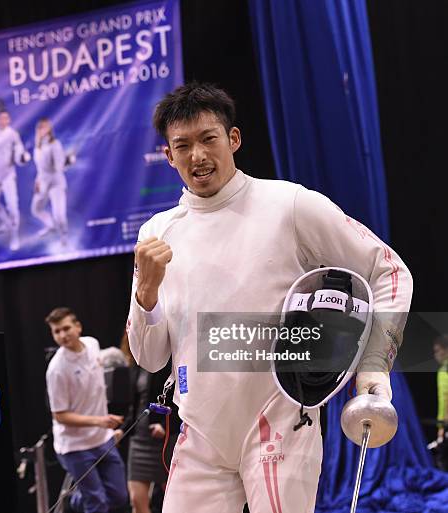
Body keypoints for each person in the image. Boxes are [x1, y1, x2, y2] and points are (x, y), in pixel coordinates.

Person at [127, 82, 413, 513]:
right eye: (182, 145)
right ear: (168, 156)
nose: (198, 156)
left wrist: (374, 364)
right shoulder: (157, 232)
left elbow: (389, 270)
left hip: (281, 421)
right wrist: (145, 294)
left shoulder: (289, 205)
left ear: (234, 139)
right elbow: (150, 358)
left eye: (209, 139)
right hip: (200, 431)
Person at [45, 307, 129, 513]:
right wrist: (99, 421)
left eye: (66, 328)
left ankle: (74, 500)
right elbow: (60, 415)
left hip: (102, 439)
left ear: (78, 327)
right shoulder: (56, 369)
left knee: (119, 497)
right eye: (57, 331)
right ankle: (85, 499)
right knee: (97, 503)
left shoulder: (93, 344)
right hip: (75, 446)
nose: (63, 335)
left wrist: (104, 426)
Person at [120, 334, 180, 513]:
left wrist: (165, 424)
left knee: (172, 500)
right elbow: (136, 403)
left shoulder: (171, 358)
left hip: (166, 435)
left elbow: (183, 398)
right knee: (136, 499)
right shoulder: (135, 364)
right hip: (140, 436)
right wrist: (122, 430)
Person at [0, 110, 29, 251]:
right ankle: (7, 222)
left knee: (12, 205)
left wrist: (21, 158)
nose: (2, 121)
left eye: (5, 118)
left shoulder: (12, 134)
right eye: (0, 118)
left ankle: (14, 235)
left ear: (9, 120)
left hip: (8, 175)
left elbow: (19, 151)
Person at [31, 119, 68, 244]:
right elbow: (39, 168)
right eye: (41, 127)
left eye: (46, 127)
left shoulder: (55, 144)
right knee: (36, 209)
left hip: (56, 182)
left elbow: (59, 166)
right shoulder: (38, 146)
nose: (43, 130)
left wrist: (65, 162)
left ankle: (63, 236)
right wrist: (37, 181)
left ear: (49, 129)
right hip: (43, 181)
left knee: (59, 214)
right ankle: (50, 225)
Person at [433, 334, 448, 470]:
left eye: (438, 351)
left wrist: (442, 428)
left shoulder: (444, 371)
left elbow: (445, 400)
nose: (436, 355)